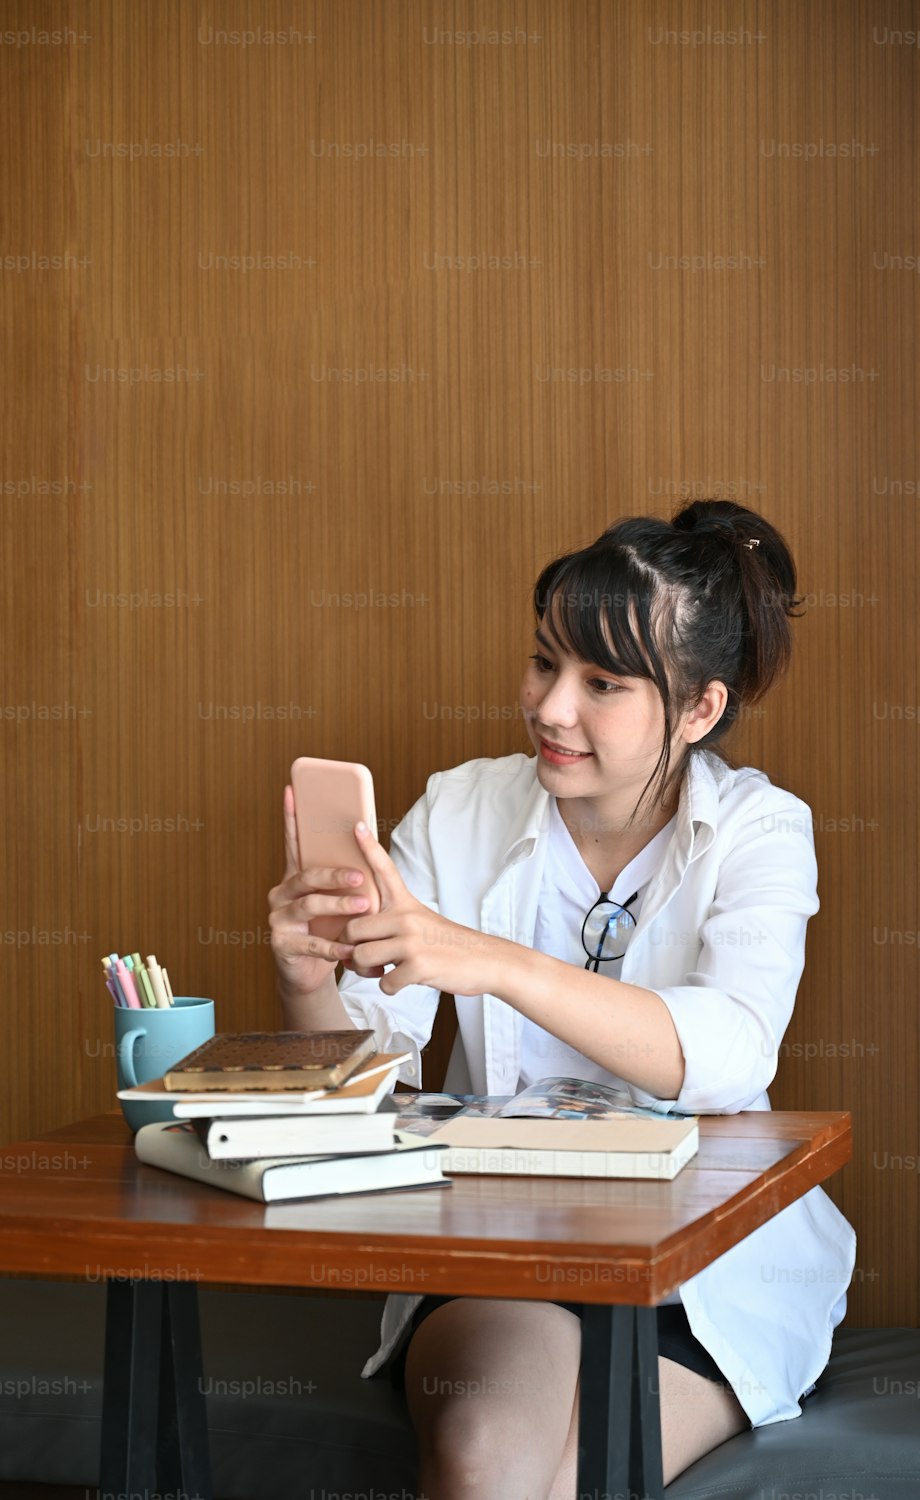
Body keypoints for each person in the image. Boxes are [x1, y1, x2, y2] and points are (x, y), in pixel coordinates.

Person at [268, 499, 857, 1499]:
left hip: (703, 1268)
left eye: (602, 683)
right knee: (480, 1462)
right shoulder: (462, 807)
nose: (549, 706)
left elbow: (730, 1052)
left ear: (699, 710)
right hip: (502, 1243)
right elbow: (369, 1077)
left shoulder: (760, 829)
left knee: (592, 1480)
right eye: (545, 662)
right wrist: (308, 983)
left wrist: (494, 962)